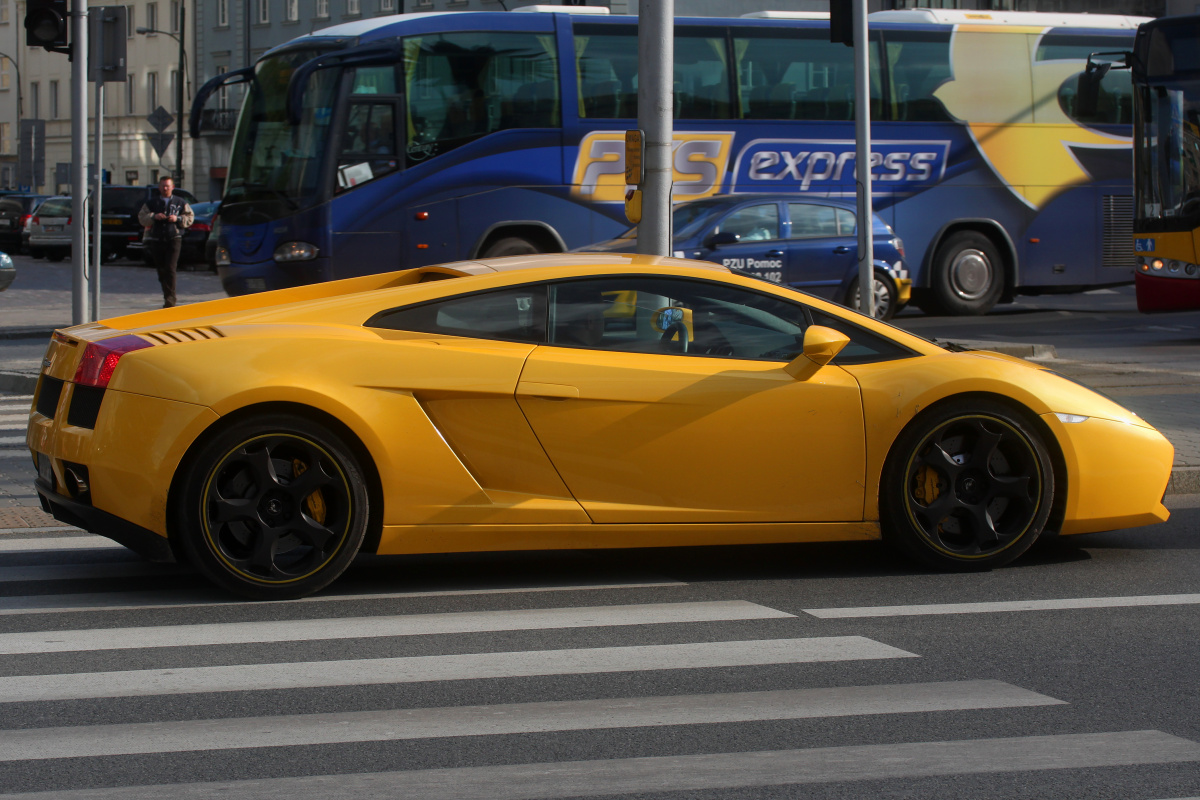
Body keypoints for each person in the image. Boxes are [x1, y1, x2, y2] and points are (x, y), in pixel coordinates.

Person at [137, 177, 194, 308]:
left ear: (172, 187)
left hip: (174, 238)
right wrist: (153, 216)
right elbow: (142, 218)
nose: (165, 188)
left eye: (167, 186)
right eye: (163, 186)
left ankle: (170, 298)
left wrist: (177, 218)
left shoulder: (180, 202)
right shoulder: (152, 203)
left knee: (170, 268)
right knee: (161, 269)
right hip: (157, 239)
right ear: (159, 187)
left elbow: (190, 217)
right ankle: (166, 292)